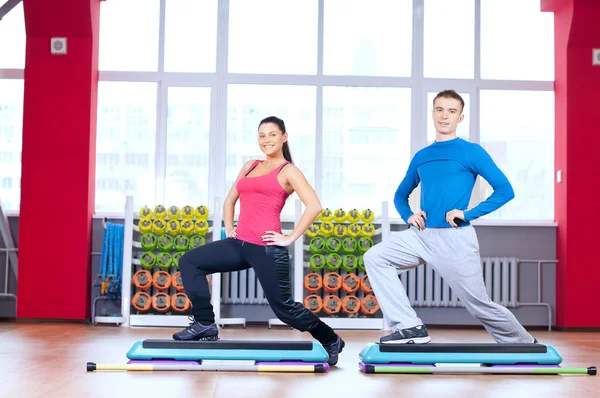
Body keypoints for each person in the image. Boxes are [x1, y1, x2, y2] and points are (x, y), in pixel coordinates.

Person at [364, 89, 536, 345]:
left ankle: (524, 345)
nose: (445, 116)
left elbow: (505, 190)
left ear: (460, 117)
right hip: (421, 236)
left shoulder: (471, 152)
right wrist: (409, 215)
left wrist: (468, 214)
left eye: (451, 111)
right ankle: (410, 327)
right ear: (432, 113)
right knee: (375, 257)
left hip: (455, 238)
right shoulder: (422, 156)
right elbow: (401, 195)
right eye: (440, 110)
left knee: (479, 305)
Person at [173, 116, 345, 365]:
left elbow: (314, 206)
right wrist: (230, 227)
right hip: (239, 244)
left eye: (272, 134)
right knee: (190, 262)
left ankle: (330, 339)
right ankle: (204, 324)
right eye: (262, 135)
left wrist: (289, 238)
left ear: (284, 137)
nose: (266, 140)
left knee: (284, 309)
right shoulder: (250, 166)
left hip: (267, 249)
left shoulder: (288, 171)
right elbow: (230, 199)